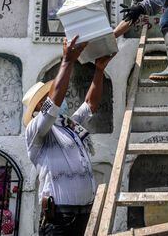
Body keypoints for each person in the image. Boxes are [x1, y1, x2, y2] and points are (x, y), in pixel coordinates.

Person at [22, 36, 114, 236]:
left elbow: (90, 105)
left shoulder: (69, 126)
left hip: (85, 216)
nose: (60, 97)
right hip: (59, 221)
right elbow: (52, 105)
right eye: (49, 96)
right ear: (39, 106)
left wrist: (99, 71)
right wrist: (67, 60)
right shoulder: (36, 131)